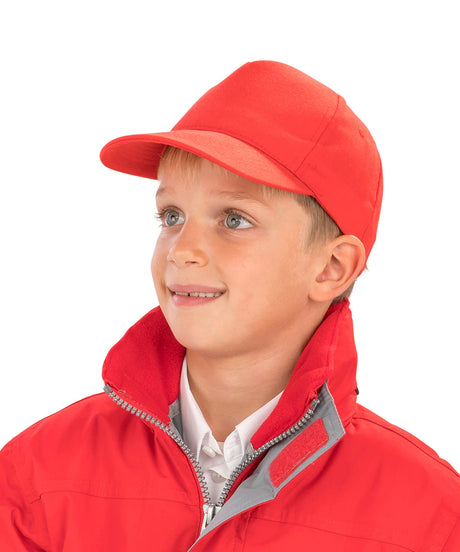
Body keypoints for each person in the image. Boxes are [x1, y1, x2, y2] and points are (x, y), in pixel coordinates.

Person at [1, 60, 459, 551]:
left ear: (331, 267)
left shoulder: (428, 516)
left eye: (234, 219)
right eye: (171, 215)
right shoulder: (38, 475)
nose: (182, 249)